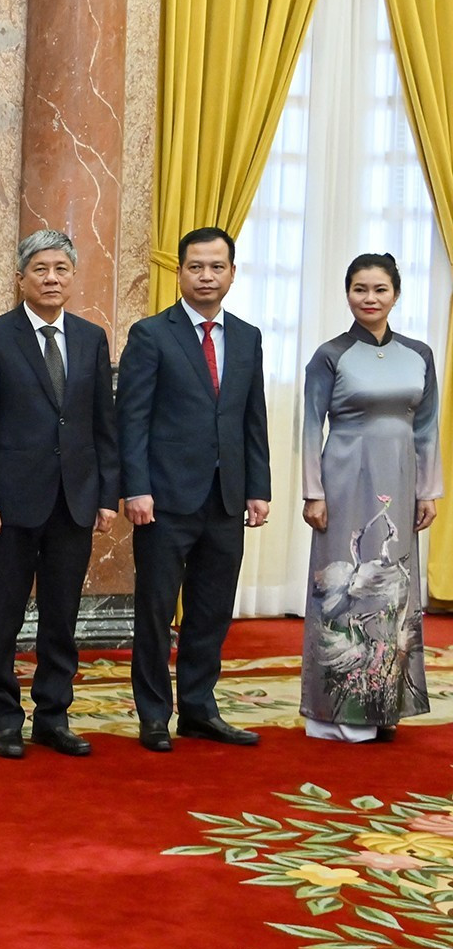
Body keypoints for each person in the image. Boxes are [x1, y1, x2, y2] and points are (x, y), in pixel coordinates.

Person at [0, 228, 119, 759]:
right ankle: (2, 718)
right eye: (41, 269)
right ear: (20, 278)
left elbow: (103, 424)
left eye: (62, 269)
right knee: (2, 615)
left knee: (62, 616)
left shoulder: (92, 337)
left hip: (73, 501)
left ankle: (53, 715)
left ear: (73, 277)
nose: (52, 278)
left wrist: (105, 496)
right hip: (7, 505)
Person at [119, 226, 272, 752]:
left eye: (217, 267)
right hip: (162, 501)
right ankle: (155, 715)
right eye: (196, 267)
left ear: (232, 272)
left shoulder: (248, 337)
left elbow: (253, 419)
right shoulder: (150, 334)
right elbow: (131, 419)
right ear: (179, 271)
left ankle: (201, 709)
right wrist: (134, 487)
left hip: (226, 497)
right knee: (157, 611)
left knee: (212, 610)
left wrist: (259, 487)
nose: (206, 276)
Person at [300, 252, 440, 742]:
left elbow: (426, 426)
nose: (369, 298)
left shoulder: (419, 353)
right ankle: (337, 711)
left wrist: (428, 490)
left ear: (395, 294)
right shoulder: (330, 354)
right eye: (360, 289)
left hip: (400, 478)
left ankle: (384, 706)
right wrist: (313, 492)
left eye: (379, 289)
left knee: (393, 588)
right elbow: (311, 426)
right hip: (343, 478)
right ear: (347, 294)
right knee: (343, 589)